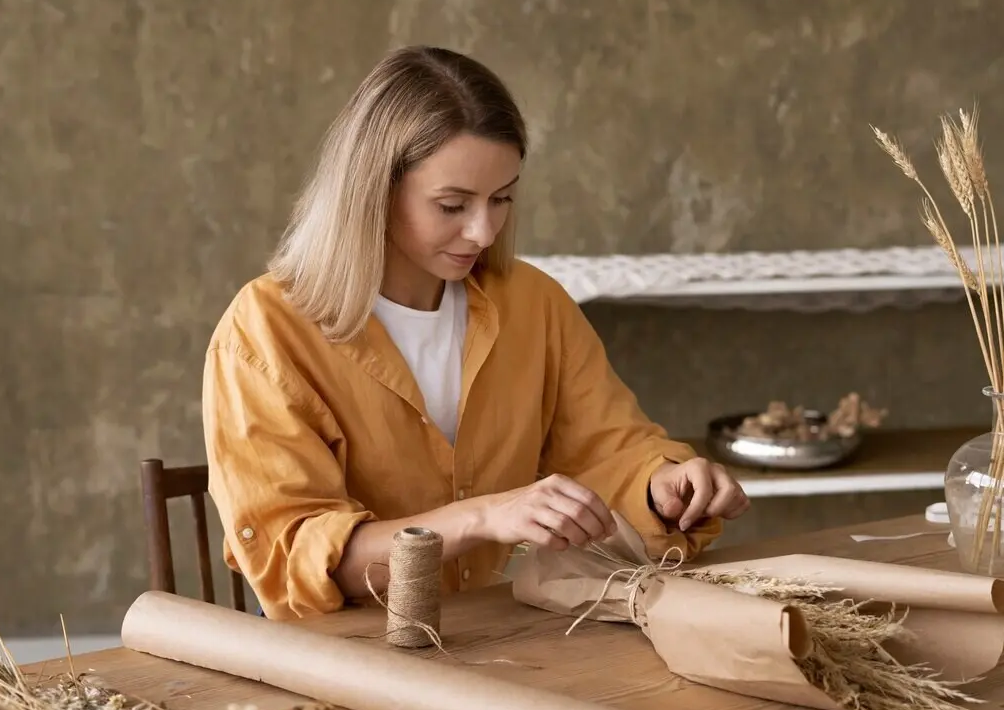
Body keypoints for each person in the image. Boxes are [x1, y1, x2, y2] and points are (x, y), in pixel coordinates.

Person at [202, 45, 750, 620]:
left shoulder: (533, 303)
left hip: (494, 637)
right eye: (452, 204)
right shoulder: (263, 330)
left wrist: (661, 484)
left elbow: (607, 448)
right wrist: (482, 516)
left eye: (502, 198)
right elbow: (296, 555)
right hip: (342, 660)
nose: (484, 231)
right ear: (373, 192)